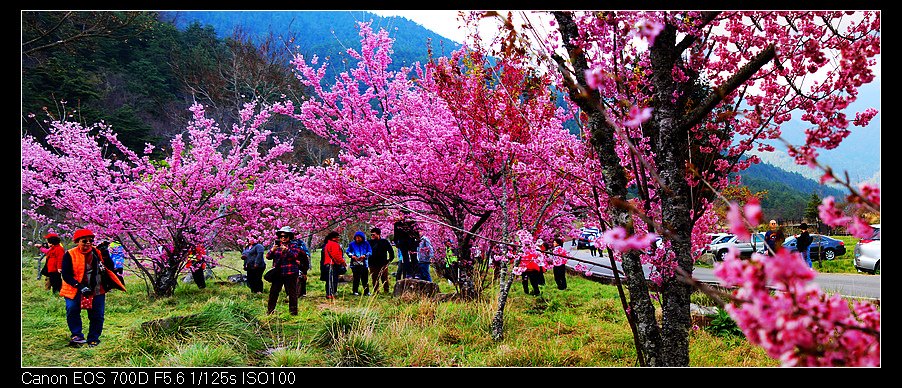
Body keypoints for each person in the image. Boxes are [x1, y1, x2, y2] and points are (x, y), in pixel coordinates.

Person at [60, 228, 123, 347]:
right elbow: (66, 274)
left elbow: (110, 267)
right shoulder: (70, 254)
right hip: (74, 288)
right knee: (72, 310)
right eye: (85, 241)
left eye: (91, 240)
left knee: (97, 314)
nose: (88, 243)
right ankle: (77, 335)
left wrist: (105, 254)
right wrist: (79, 286)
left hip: (96, 288)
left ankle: (93, 338)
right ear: (77, 242)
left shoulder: (97, 252)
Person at [266, 227, 305, 315]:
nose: (283, 238)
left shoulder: (294, 245)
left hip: (290, 272)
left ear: (289, 236)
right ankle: (270, 311)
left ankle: (293, 312)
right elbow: (268, 257)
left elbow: (295, 256)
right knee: (273, 292)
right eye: (281, 236)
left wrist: (287, 251)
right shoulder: (276, 245)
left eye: (285, 236)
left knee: (292, 293)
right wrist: (272, 250)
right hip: (278, 272)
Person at [393, 211, 421, 279]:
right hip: (403, 243)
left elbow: (417, 233)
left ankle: (416, 273)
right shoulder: (397, 224)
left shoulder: (413, 223)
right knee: (405, 259)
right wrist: (397, 243)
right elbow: (396, 235)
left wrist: (417, 242)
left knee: (414, 257)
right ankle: (408, 273)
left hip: (412, 242)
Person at [367, 227, 395, 294]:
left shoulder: (384, 242)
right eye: (371, 235)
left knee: (384, 278)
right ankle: (376, 291)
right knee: (374, 278)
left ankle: (386, 291)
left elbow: (391, 252)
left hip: (383, 263)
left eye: (373, 234)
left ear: (378, 234)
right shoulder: (369, 242)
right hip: (372, 264)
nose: (372, 236)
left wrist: (389, 261)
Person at [321, 231, 346, 299]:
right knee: (333, 280)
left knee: (329, 280)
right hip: (332, 264)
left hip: (327, 264)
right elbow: (336, 255)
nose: (338, 239)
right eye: (338, 237)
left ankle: (329, 293)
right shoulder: (334, 244)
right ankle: (331, 294)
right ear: (334, 238)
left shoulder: (327, 244)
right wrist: (342, 262)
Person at [346, 231, 372, 296]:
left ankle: (366, 291)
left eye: (359, 238)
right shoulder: (352, 244)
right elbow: (348, 251)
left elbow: (370, 251)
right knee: (356, 278)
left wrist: (365, 256)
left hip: (364, 263)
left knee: (365, 278)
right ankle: (355, 291)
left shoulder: (366, 244)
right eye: (356, 238)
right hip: (355, 264)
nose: (357, 239)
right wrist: (352, 256)